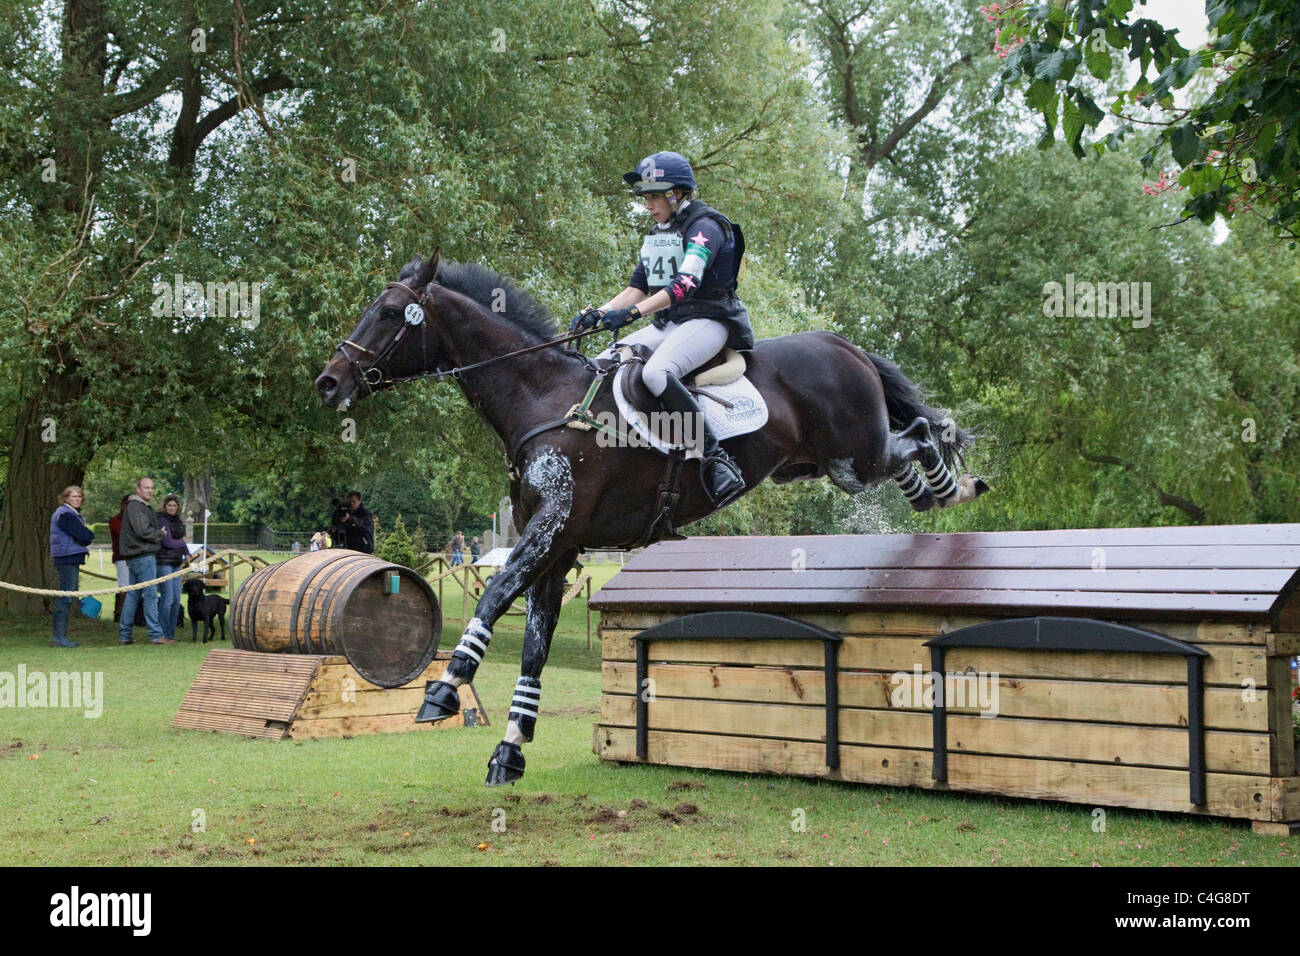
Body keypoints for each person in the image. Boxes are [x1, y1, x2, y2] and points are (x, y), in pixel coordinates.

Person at [572, 150, 750, 506]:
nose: (648, 204)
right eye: (646, 197)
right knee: (601, 361)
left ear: (677, 194)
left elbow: (685, 285)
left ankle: (716, 460)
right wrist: (599, 312)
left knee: (656, 374)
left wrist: (633, 314)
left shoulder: (706, 228)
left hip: (710, 320)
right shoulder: (659, 233)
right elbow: (637, 286)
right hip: (671, 322)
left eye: (654, 196)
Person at [118, 477, 172, 645]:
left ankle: (125, 635)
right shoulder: (136, 506)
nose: (149, 490)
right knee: (150, 595)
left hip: (135, 555)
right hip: (143, 555)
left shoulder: (137, 506)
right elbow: (142, 530)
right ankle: (155, 635)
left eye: (151, 488)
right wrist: (160, 534)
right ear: (138, 489)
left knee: (133, 595)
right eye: (146, 487)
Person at [49, 486, 94, 647]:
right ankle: (58, 637)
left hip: (71, 557)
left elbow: (85, 535)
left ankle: (60, 636)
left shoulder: (72, 514)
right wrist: (86, 536)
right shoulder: (65, 514)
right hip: (66, 558)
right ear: (66, 497)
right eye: (74, 496)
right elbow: (85, 536)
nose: (77, 499)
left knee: (67, 596)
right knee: (65, 597)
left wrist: (86, 536)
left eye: (79, 496)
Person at [155, 494, 188, 639]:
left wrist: (186, 553)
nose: (172, 508)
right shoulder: (162, 520)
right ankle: (163, 632)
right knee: (167, 599)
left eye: (174, 505)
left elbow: (182, 542)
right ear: (165, 506)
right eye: (169, 505)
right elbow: (167, 543)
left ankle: (171, 633)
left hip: (176, 563)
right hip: (164, 563)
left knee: (176, 600)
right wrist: (182, 542)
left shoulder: (179, 521)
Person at [108, 495, 130, 622]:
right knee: (124, 587)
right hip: (122, 557)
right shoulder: (116, 520)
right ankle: (120, 614)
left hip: (135, 557)